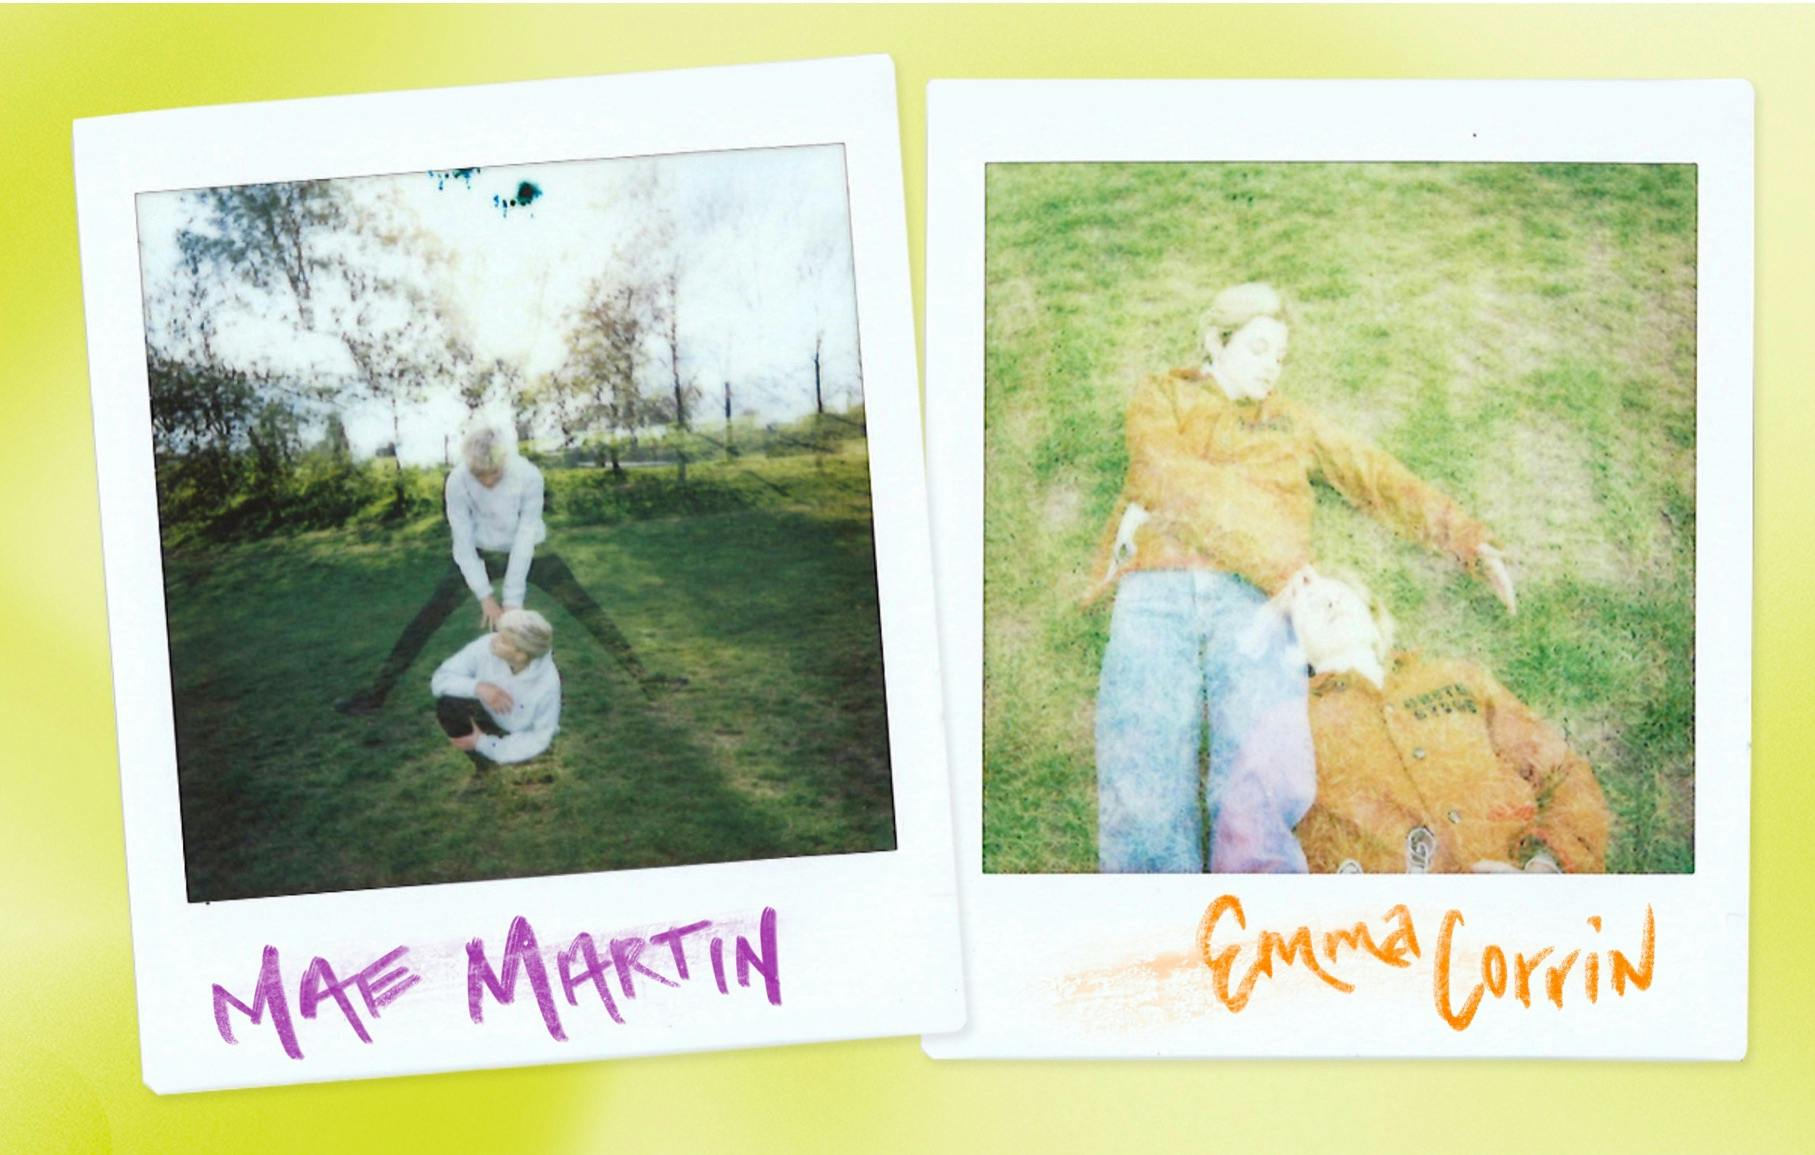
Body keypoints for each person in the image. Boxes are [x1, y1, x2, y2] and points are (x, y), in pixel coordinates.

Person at [1087, 282, 1517, 874]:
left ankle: (1262, 930)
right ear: (1218, 341)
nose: (1272, 367)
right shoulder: (1162, 395)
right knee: (1142, 774)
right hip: (1161, 586)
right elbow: (1165, 477)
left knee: (1259, 785)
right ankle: (1154, 940)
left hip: (1257, 605)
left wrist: (1467, 537)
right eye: (1260, 349)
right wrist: (1277, 563)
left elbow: (1374, 474)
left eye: (1280, 357)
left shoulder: (1291, 421)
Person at [1266, 567, 1608, 873]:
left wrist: (1546, 867)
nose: (1328, 604)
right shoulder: (1289, 721)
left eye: (1339, 595)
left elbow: (1563, 773)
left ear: (1373, 618)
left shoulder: (1457, 679)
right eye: (1309, 605)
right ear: (1293, 647)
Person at [337, 424, 678, 714]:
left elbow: (526, 535)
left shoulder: (528, 475)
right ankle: (376, 694)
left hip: (532, 552)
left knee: (585, 607)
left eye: (494, 473)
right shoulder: (457, 481)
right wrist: (486, 597)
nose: (486, 481)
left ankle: (645, 677)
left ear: (505, 461)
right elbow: (463, 543)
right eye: (479, 475)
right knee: (425, 620)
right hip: (481, 555)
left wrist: (512, 601)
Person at [432, 607, 562, 766]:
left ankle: (504, 754)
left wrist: (485, 743)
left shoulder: (547, 684)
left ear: (520, 655)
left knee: (535, 756)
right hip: (490, 715)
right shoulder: (486, 645)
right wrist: (478, 687)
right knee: (448, 704)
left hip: (520, 733)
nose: (493, 639)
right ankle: (483, 764)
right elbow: (441, 679)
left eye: (503, 641)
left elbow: (539, 737)